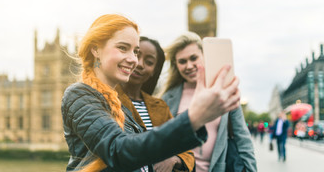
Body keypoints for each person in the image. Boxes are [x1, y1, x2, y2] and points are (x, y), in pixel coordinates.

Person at [61, 14, 241, 172]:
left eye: (135, 51)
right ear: (95, 49)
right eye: (123, 48)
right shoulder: (79, 96)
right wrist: (194, 117)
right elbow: (119, 151)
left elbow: (143, 156)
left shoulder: (120, 105)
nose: (133, 60)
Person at [161, 32, 257, 172]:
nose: (189, 66)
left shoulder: (224, 91)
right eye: (182, 61)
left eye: (194, 58)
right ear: (176, 65)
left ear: (204, 56)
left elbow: (243, 139)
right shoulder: (167, 98)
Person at [117, 36, 195, 172]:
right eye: (136, 55)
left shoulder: (160, 107)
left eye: (149, 62)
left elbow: (186, 151)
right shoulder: (106, 98)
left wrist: (174, 159)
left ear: (154, 70)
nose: (140, 64)